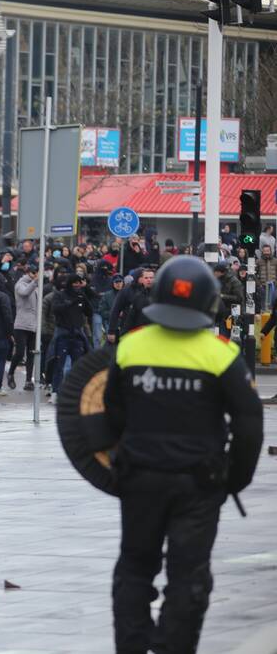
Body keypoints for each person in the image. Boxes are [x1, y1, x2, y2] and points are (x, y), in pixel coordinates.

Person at [103, 256, 263, 654]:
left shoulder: (130, 347)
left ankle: (131, 646)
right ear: (209, 302)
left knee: (134, 567)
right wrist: (235, 478)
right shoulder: (222, 355)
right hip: (199, 484)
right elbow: (249, 426)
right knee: (189, 574)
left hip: (140, 478)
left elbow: (111, 412)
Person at [49, 273, 93, 402]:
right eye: (75, 283)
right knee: (59, 365)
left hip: (77, 335)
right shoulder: (60, 295)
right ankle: (55, 391)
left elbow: (90, 312)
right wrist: (70, 303)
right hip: (63, 335)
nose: (77, 285)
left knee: (77, 366)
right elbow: (55, 309)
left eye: (79, 283)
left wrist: (84, 298)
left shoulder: (81, 296)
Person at [8, 264, 39, 391]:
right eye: (33, 273)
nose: (35, 275)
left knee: (31, 354)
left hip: (34, 325)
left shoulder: (36, 287)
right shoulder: (20, 284)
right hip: (21, 324)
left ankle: (28, 381)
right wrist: (35, 282)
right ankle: (11, 373)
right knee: (20, 352)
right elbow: (25, 293)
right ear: (28, 273)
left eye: (36, 273)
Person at [108, 267, 155, 344]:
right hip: (130, 329)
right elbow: (115, 310)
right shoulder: (127, 290)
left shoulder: (153, 291)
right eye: (145, 277)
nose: (148, 280)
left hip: (148, 330)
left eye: (150, 278)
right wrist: (111, 331)